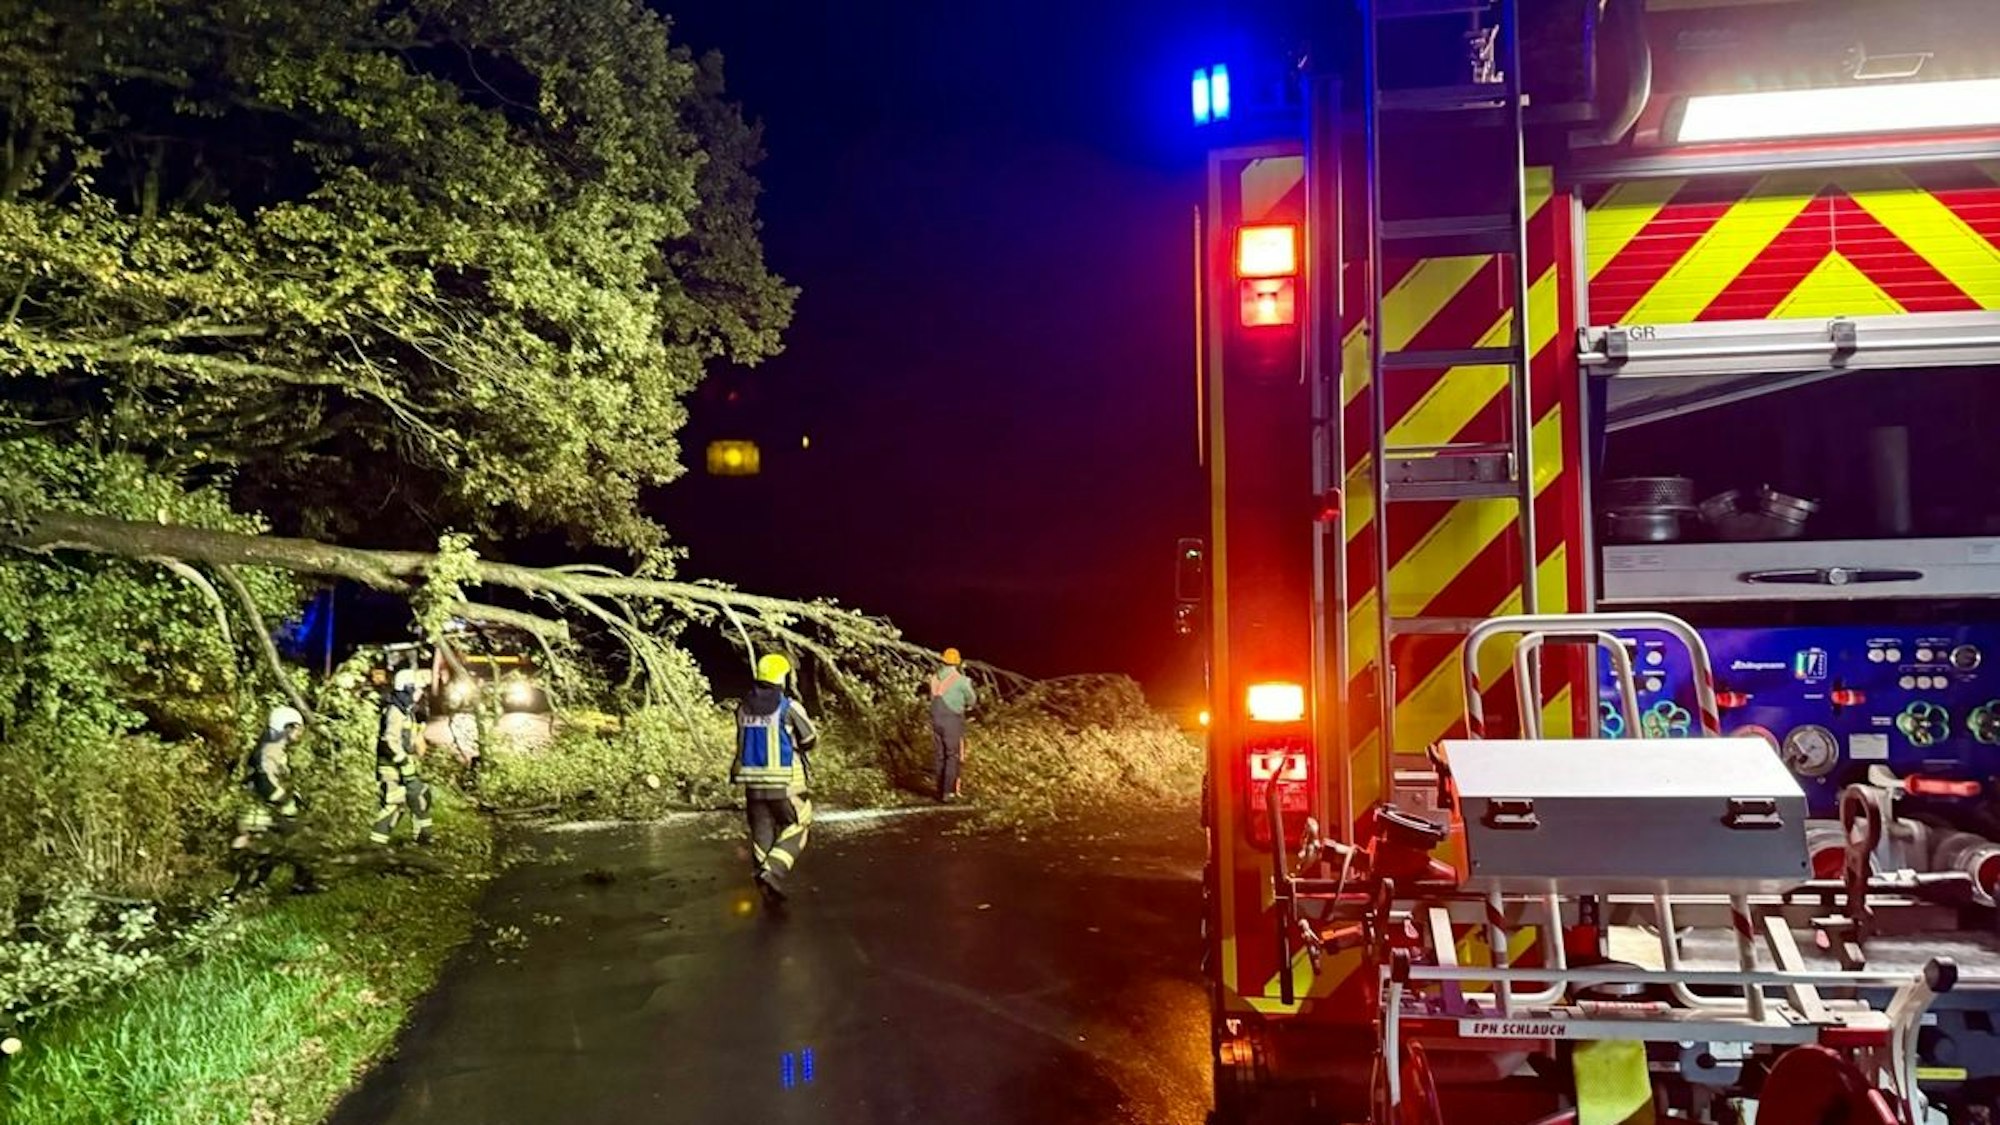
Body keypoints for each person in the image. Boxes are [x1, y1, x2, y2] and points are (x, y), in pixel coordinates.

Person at [732, 653, 818, 903]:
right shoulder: (788, 708)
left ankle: (764, 881)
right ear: (782, 678)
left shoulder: (742, 707)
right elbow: (809, 739)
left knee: (762, 832)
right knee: (799, 824)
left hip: (753, 785)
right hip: (785, 785)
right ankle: (773, 872)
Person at [230, 706, 321, 896]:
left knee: (267, 854)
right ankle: (300, 885)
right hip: (261, 812)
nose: (299, 734)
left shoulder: (273, 747)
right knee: (302, 841)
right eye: (297, 728)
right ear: (287, 727)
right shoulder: (271, 749)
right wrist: (282, 798)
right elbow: (265, 780)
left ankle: (245, 892)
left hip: (261, 811)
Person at [370, 668, 434, 846]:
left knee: (421, 795)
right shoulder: (395, 711)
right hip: (390, 767)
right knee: (394, 805)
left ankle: (422, 838)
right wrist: (404, 761)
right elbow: (390, 741)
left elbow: (410, 740)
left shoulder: (406, 711)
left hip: (401, 765)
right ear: (407, 688)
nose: (420, 693)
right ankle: (376, 847)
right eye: (417, 689)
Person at [928, 648, 976, 802]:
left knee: (940, 756)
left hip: (936, 720)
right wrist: (967, 705)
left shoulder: (934, 678)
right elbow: (971, 700)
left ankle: (939, 790)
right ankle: (948, 793)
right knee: (952, 756)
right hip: (952, 721)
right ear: (957, 662)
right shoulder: (962, 680)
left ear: (943, 660)